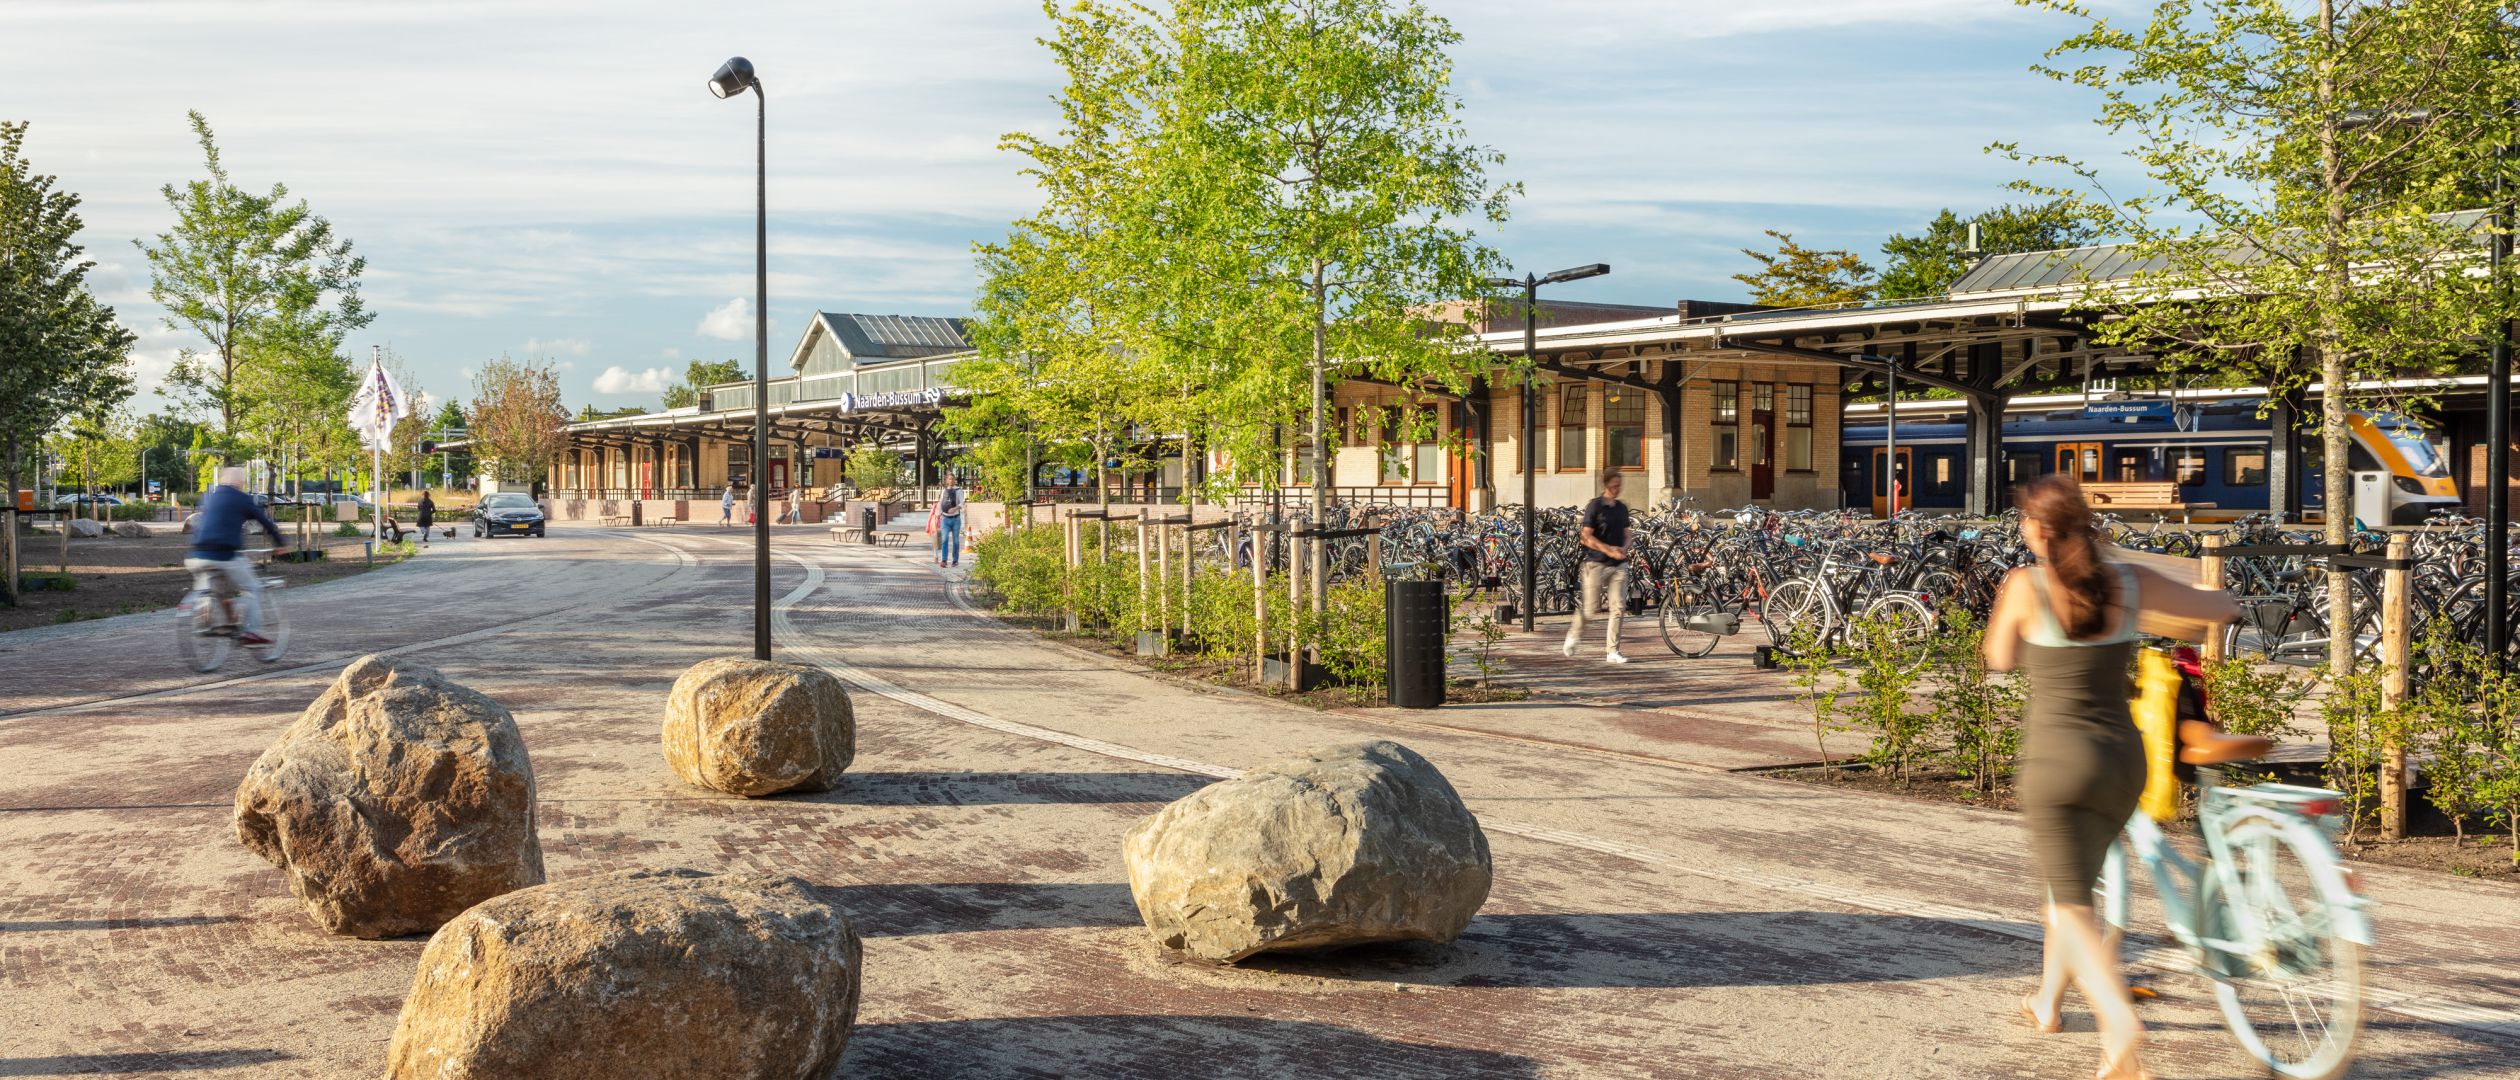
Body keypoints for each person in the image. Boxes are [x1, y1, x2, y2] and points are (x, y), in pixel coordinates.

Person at [1985, 475, 2235, 1080]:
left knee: (2072, 905)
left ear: (2040, 531)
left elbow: (1997, 657)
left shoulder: (2025, 584)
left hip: (2057, 764)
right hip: (2125, 761)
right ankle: (2048, 1002)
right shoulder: (2128, 580)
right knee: (2068, 885)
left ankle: (2118, 1022)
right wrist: (2159, 620)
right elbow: (2222, 607)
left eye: (2025, 523)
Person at [186, 467, 288, 646]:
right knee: (252, 587)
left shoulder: (210, 497)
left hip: (197, 556)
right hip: (225, 554)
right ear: (240, 482)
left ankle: (207, 621)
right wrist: (280, 544)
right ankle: (250, 631)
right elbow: (265, 522)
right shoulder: (241, 498)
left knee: (213, 588)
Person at [1562, 472, 1632, 663]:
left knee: (1618, 607)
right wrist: (1608, 550)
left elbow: (1627, 534)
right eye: (1614, 485)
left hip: (1619, 565)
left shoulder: (1622, 508)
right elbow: (1585, 536)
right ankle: (1574, 635)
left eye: (1620, 485)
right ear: (1606, 484)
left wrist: (1624, 549)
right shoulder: (1595, 506)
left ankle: (1612, 651)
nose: (1617, 489)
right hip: (1596, 563)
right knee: (1591, 607)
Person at [936, 474, 967, 568]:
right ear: (946, 480)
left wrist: (955, 508)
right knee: (944, 540)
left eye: (953, 479)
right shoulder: (944, 491)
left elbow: (962, 503)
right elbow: (941, 503)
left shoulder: (959, 491)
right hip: (945, 519)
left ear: (955, 480)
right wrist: (938, 516)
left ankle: (955, 561)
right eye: (949, 479)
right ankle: (944, 560)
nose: (951, 480)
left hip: (956, 519)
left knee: (956, 541)